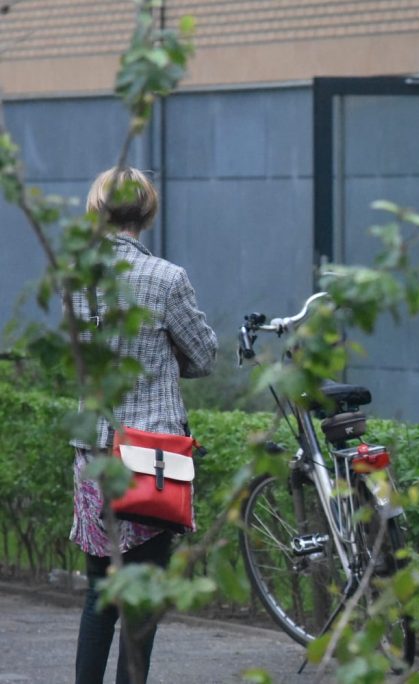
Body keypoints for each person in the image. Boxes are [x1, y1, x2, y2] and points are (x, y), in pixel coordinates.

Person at [70, 167, 218, 684]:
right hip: (152, 458)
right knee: (142, 601)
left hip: (95, 452)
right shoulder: (166, 279)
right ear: (148, 211)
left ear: (98, 209)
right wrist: (166, 353)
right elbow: (204, 355)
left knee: (99, 593)